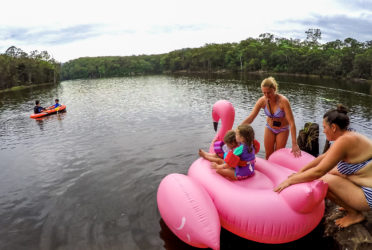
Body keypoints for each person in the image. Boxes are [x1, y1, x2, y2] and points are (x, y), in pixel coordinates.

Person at [274, 105, 372, 228]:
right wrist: (300, 172)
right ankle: (350, 203)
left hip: (369, 196)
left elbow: (319, 172)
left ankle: (355, 214)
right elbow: (323, 157)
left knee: (322, 181)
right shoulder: (349, 134)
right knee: (332, 173)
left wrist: (290, 181)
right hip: (366, 185)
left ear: (334, 127)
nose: (323, 130)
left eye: (325, 127)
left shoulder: (344, 141)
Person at [241, 76, 301, 159]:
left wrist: (294, 143)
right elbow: (251, 117)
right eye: (264, 93)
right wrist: (238, 129)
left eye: (269, 92)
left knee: (278, 155)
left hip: (282, 129)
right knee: (268, 154)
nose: (266, 95)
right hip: (269, 128)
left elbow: (292, 123)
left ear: (274, 89)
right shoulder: (262, 101)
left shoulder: (283, 101)